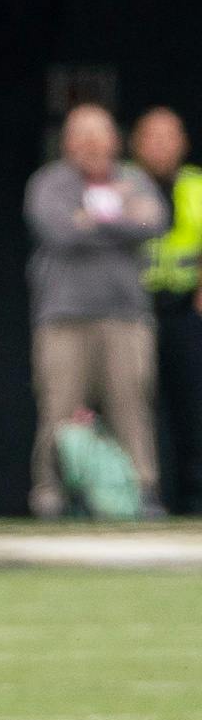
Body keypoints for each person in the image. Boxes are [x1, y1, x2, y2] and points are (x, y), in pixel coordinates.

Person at [24, 103, 169, 517]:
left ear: (114, 139)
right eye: (81, 134)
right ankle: (51, 495)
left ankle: (142, 492)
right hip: (64, 318)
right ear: (67, 142)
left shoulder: (134, 178)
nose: (90, 143)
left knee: (131, 405)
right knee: (59, 407)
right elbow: (60, 230)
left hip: (126, 316)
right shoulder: (49, 182)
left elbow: (153, 223)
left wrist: (93, 220)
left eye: (98, 133)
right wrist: (118, 218)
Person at [132, 107, 202, 514]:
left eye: (169, 136)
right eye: (151, 136)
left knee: (191, 407)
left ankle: (194, 502)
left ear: (183, 142)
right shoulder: (122, 182)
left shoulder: (195, 185)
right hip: (131, 311)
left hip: (184, 311)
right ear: (136, 143)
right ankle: (138, 499)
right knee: (134, 410)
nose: (160, 145)